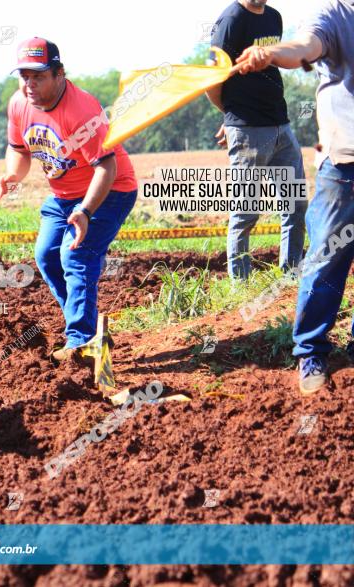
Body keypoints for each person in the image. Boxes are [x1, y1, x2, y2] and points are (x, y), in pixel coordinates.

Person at [0, 37, 138, 367]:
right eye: (24, 76)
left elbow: (108, 167)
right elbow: (18, 150)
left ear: (59, 74)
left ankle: (82, 341)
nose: (29, 84)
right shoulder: (19, 104)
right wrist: (11, 176)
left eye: (39, 76)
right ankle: (87, 325)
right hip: (62, 196)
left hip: (109, 191)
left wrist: (86, 211)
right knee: (46, 256)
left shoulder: (82, 111)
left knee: (75, 255)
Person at [236, 0, 354, 394]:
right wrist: (269, 53)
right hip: (345, 167)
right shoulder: (337, 14)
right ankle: (311, 351)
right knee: (325, 257)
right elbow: (303, 47)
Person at [206, 0, 307, 280]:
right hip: (248, 130)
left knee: (295, 206)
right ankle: (241, 286)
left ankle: (291, 276)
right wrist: (231, 117)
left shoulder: (274, 17)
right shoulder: (231, 20)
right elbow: (212, 81)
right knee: (245, 212)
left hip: (281, 125)